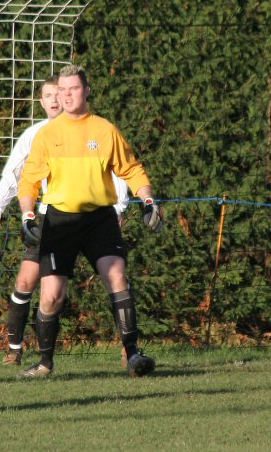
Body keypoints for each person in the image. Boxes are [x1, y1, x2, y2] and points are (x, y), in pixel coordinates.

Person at [17, 64, 163, 378]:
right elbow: (28, 182)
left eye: (73, 89)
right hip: (59, 221)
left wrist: (148, 200)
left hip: (99, 219)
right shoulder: (47, 135)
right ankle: (45, 362)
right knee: (52, 295)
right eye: (62, 90)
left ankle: (134, 356)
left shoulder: (105, 130)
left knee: (118, 278)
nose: (67, 95)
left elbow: (132, 170)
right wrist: (28, 214)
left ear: (87, 91)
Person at [0, 75, 129, 366]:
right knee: (30, 281)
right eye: (48, 95)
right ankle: (17, 349)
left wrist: (119, 208)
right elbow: (16, 175)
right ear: (42, 101)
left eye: (59, 93)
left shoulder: (93, 131)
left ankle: (130, 348)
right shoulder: (35, 135)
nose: (54, 100)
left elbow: (114, 170)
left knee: (115, 278)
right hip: (52, 221)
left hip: (93, 219)